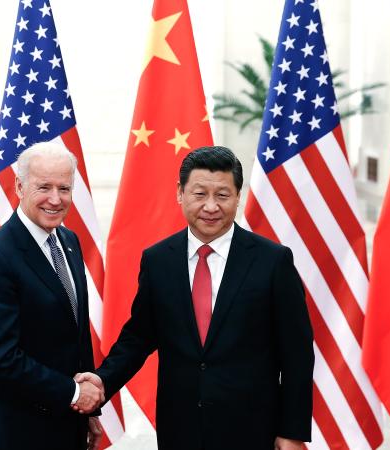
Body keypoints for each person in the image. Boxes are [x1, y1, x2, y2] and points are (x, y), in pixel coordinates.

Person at [78, 146, 314, 450]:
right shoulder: (158, 260)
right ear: (180, 193)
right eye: (200, 194)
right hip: (181, 428)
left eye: (223, 195)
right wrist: (101, 382)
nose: (211, 207)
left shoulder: (273, 261)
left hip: (253, 430)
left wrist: (292, 431)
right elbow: (137, 339)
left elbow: (297, 354)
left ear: (238, 196)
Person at [0, 142, 103, 450]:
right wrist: (73, 393)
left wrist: (89, 411)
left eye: (64, 188)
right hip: (19, 431)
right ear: (19, 186)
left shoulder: (69, 240)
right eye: (44, 187)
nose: (55, 200)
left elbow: (76, 333)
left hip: (68, 424)